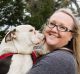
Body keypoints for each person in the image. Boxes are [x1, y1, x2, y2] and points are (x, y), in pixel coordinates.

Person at [28, 8, 80, 74]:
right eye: (52, 24)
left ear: (71, 36)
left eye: (62, 27)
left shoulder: (59, 59)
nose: (54, 30)